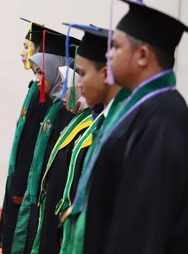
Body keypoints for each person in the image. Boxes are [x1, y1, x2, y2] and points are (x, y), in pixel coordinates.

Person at [76, 0, 188, 253]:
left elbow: (142, 229)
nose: (108, 54)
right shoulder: (144, 109)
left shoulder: (162, 120)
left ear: (142, 55)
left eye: (117, 47)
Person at [57, 25, 127, 254]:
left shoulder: (126, 127)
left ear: (106, 72)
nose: (77, 83)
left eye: (82, 74)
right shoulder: (101, 121)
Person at [11, 30, 80, 254]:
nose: (38, 79)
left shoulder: (66, 111)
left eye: (41, 72)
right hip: (40, 195)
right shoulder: (53, 103)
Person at [0, 20, 56, 253]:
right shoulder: (35, 87)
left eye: (27, 46)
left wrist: (20, 183)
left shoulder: (45, 93)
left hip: (25, 183)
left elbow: (32, 141)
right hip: (18, 178)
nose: (22, 53)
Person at [31, 63, 92, 254]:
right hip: (53, 208)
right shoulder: (72, 116)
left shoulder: (91, 124)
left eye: (68, 87)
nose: (63, 94)